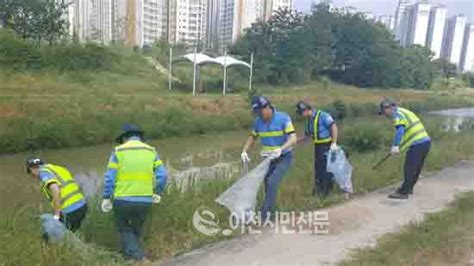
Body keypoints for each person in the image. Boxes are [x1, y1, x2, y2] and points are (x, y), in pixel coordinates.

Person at [101, 124, 167, 261]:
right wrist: (157, 192)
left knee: (124, 228)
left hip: (122, 199)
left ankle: (140, 258)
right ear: (139, 137)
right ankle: (129, 258)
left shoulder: (118, 151)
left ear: (125, 137)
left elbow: (109, 178)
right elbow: (162, 176)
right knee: (136, 229)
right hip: (145, 199)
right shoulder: (151, 151)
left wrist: (106, 197)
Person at [241, 96, 297, 221]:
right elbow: (252, 137)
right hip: (268, 159)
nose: (258, 115)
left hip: (284, 156)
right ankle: (272, 213)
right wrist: (244, 151)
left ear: (267, 108)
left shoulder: (283, 118)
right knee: (267, 183)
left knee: (272, 181)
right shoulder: (258, 122)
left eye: (260, 112)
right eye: (256, 113)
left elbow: (293, 138)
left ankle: (264, 215)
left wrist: (281, 149)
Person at [379, 99, 431, 199]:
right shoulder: (405, 111)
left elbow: (400, 131)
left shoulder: (397, 114)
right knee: (416, 168)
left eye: (384, 112)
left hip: (417, 144)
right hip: (425, 142)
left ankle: (404, 192)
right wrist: (400, 147)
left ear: (388, 108)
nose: (385, 115)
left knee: (409, 168)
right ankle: (408, 188)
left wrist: (395, 146)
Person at [26, 158, 87, 232]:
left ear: (32, 169)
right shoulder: (58, 168)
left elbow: (55, 190)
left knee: (49, 233)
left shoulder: (43, 172)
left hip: (70, 210)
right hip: (82, 206)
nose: (34, 177)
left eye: (31, 173)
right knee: (73, 233)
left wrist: (56, 215)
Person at [295, 101, 339, 198]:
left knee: (325, 169)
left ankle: (325, 191)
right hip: (318, 146)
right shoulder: (309, 120)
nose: (300, 115)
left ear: (306, 110)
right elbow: (307, 135)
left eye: (300, 112)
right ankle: (319, 189)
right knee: (318, 168)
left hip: (327, 145)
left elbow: (333, 127)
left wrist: (334, 143)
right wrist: (295, 141)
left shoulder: (323, 115)